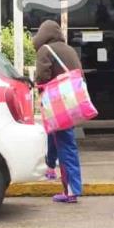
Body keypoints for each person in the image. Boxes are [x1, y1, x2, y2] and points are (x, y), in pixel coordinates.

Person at [33, 20, 83, 203]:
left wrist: (40, 92)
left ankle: (71, 191)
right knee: (54, 136)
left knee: (66, 146)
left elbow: (42, 77)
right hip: (71, 101)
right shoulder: (68, 49)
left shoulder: (45, 50)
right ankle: (50, 168)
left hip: (56, 103)